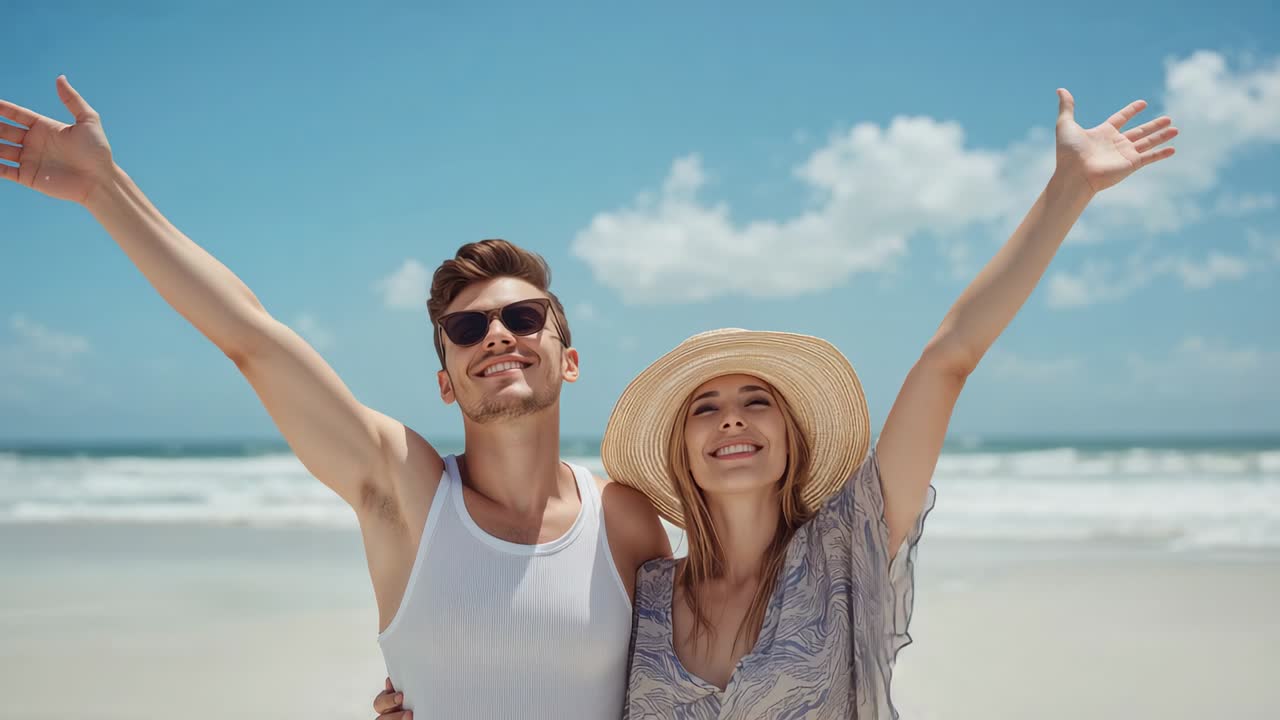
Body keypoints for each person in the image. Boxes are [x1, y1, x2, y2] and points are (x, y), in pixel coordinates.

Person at [363, 86, 1181, 719]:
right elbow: (537, 672)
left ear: (791, 435)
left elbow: (947, 359)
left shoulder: (847, 556)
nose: (731, 418)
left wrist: (1066, 191)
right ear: (681, 451)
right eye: (704, 407)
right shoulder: (647, 596)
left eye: (757, 400)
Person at [0, 77, 670, 719]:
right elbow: (252, 338)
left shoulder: (625, 521)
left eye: (522, 319)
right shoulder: (407, 493)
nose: (497, 336)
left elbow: (693, 681)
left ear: (569, 359)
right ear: (446, 381)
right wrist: (105, 189)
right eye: (467, 330)